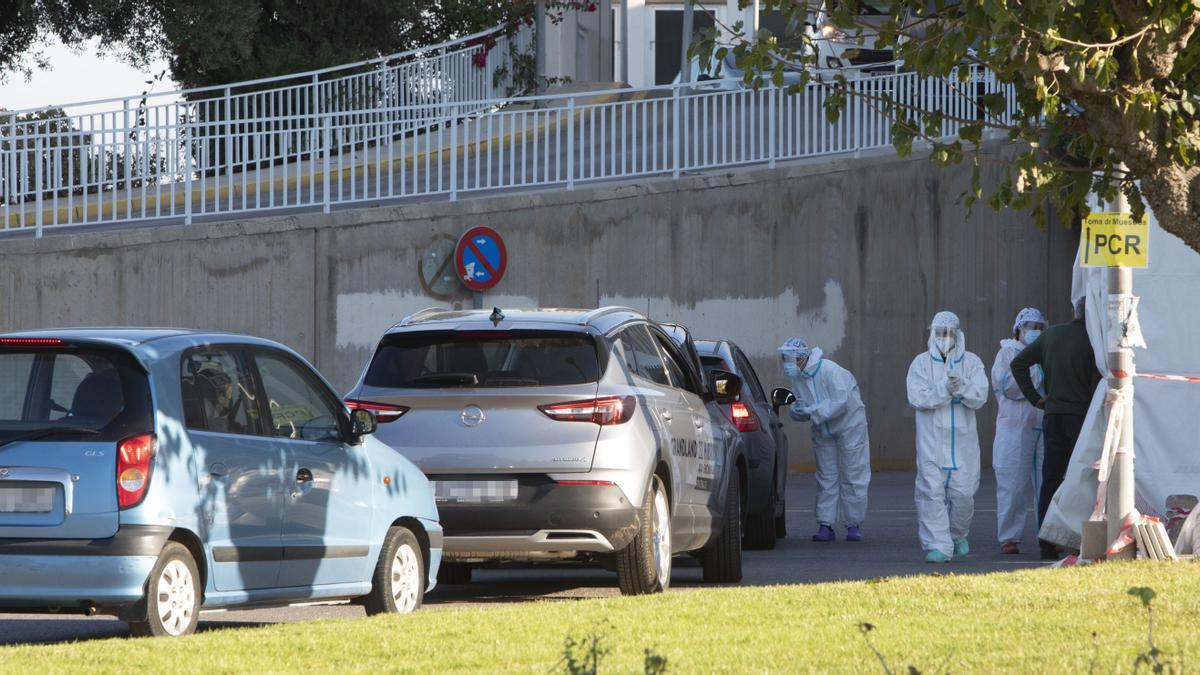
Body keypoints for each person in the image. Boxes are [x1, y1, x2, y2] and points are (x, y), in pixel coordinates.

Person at [1011, 297, 1102, 559]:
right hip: (1081, 419)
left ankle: (1046, 540)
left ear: (1073, 310)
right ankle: (1076, 537)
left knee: (1050, 478)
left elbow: (1018, 364)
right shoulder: (1094, 341)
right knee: (1081, 478)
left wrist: (1035, 398)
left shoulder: (1052, 336)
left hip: (1053, 416)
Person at [906, 311, 989, 563]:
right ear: (932, 334)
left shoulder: (972, 362)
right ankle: (937, 545)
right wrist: (944, 389)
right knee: (931, 493)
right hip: (931, 443)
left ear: (958, 335)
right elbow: (917, 398)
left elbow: (980, 396)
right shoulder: (920, 363)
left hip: (963, 444)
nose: (944, 337)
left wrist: (961, 386)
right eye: (940, 332)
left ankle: (957, 534)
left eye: (949, 333)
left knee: (963, 494)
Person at [778, 337, 871, 543]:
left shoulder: (829, 370)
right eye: (784, 358)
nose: (786, 363)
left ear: (802, 358)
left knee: (853, 472)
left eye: (789, 358)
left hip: (849, 426)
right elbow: (801, 404)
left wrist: (811, 411)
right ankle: (825, 524)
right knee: (826, 476)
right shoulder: (799, 378)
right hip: (822, 428)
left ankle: (853, 523)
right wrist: (797, 412)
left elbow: (840, 402)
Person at [991, 308, 1048, 555]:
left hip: (1043, 426)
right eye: (1029, 327)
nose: (1034, 332)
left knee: (1048, 483)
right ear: (1018, 329)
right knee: (1012, 485)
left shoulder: (1045, 353)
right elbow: (1010, 388)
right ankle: (1009, 537)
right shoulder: (1006, 354)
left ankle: (1048, 534)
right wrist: (1033, 370)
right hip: (1014, 430)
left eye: (1038, 327)